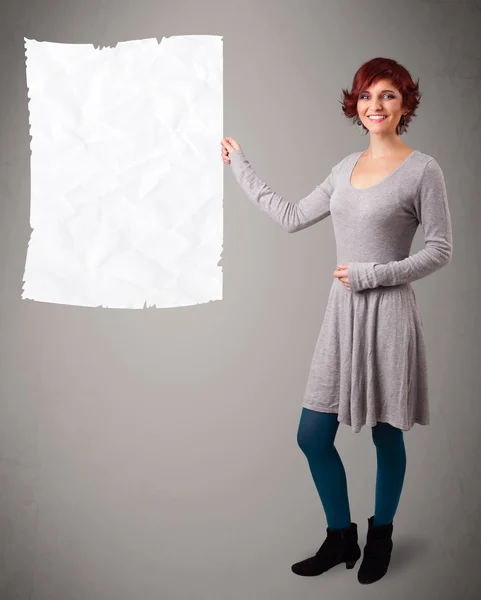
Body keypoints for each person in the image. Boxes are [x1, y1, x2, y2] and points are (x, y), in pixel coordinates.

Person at [220, 57, 453, 585]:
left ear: (405, 104)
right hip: (341, 317)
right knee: (312, 434)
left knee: (386, 437)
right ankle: (339, 537)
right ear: (356, 104)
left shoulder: (424, 170)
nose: (377, 105)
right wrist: (240, 165)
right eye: (368, 96)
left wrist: (374, 273)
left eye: (389, 96)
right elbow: (289, 216)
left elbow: (441, 250)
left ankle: (381, 537)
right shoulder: (342, 169)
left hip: (390, 313)